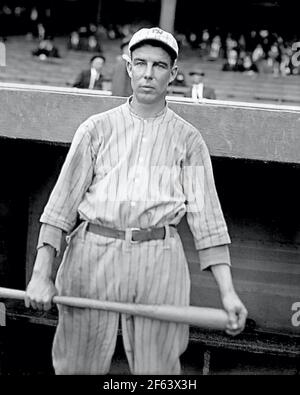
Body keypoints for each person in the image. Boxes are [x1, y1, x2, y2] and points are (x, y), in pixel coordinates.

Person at [25, 27, 248, 375]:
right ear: (128, 68)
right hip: (93, 251)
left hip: (159, 258)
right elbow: (59, 208)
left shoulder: (188, 139)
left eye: (159, 65)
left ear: (173, 74)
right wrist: (41, 274)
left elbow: (208, 220)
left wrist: (229, 293)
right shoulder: (95, 128)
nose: (148, 73)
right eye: (140, 63)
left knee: (158, 369)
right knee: (76, 365)